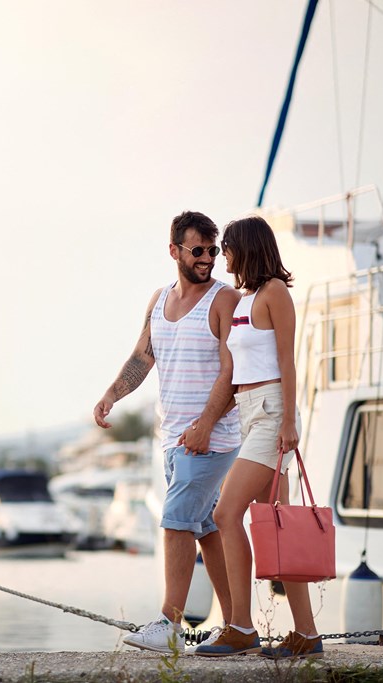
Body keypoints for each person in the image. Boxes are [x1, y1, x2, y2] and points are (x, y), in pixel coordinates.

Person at [93, 210, 241, 654]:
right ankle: (237, 625)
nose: (207, 259)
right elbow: (143, 357)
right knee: (207, 530)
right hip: (173, 438)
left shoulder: (223, 300)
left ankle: (169, 623)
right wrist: (112, 394)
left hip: (210, 439)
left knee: (176, 524)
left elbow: (234, 372)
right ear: (174, 250)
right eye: (198, 250)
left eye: (212, 251)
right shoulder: (159, 300)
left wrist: (206, 424)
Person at [193, 215, 322, 659]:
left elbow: (288, 363)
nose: (222, 255)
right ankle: (306, 634)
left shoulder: (274, 293)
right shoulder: (245, 298)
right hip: (251, 411)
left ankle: (241, 626)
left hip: (272, 414)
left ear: (246, 246)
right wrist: (209, 420)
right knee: (278, 525)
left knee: (226, 513)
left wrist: (288, 422)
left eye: (226, 247)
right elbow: (241, 372)